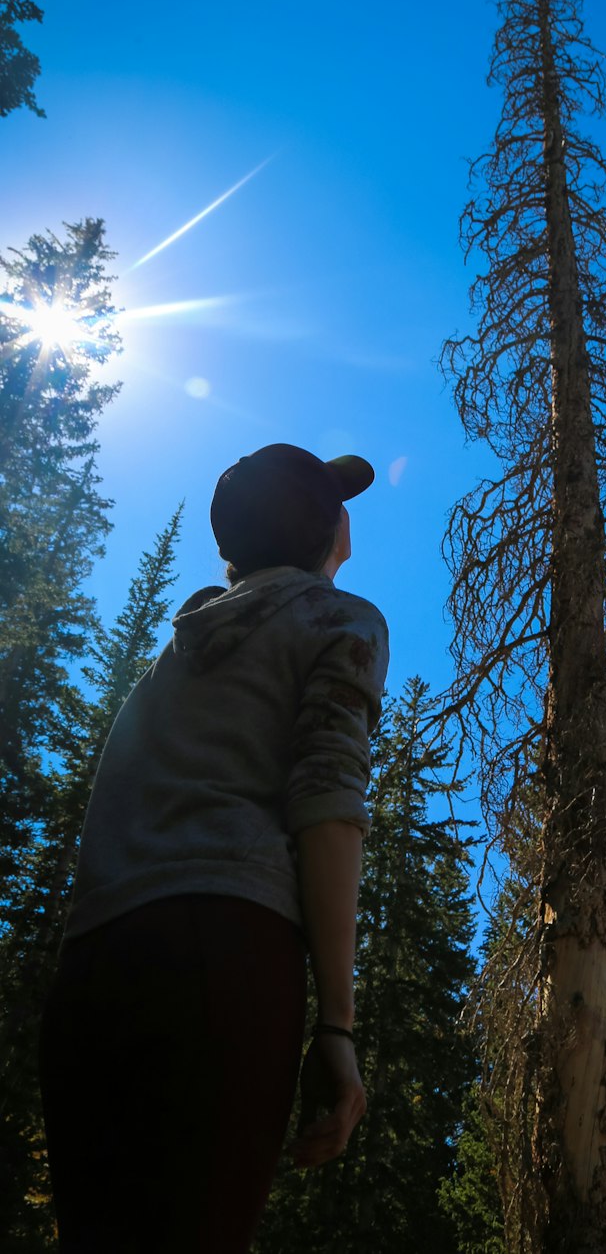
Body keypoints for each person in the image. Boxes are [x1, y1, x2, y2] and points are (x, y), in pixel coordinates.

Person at [39, 443, 390, 1254]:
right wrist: (336, 1026)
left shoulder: (173, 657)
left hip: (90, 973)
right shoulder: (341, 620)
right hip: (227, 955)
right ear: (332, 531)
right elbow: (329, 806)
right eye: (338, 505)